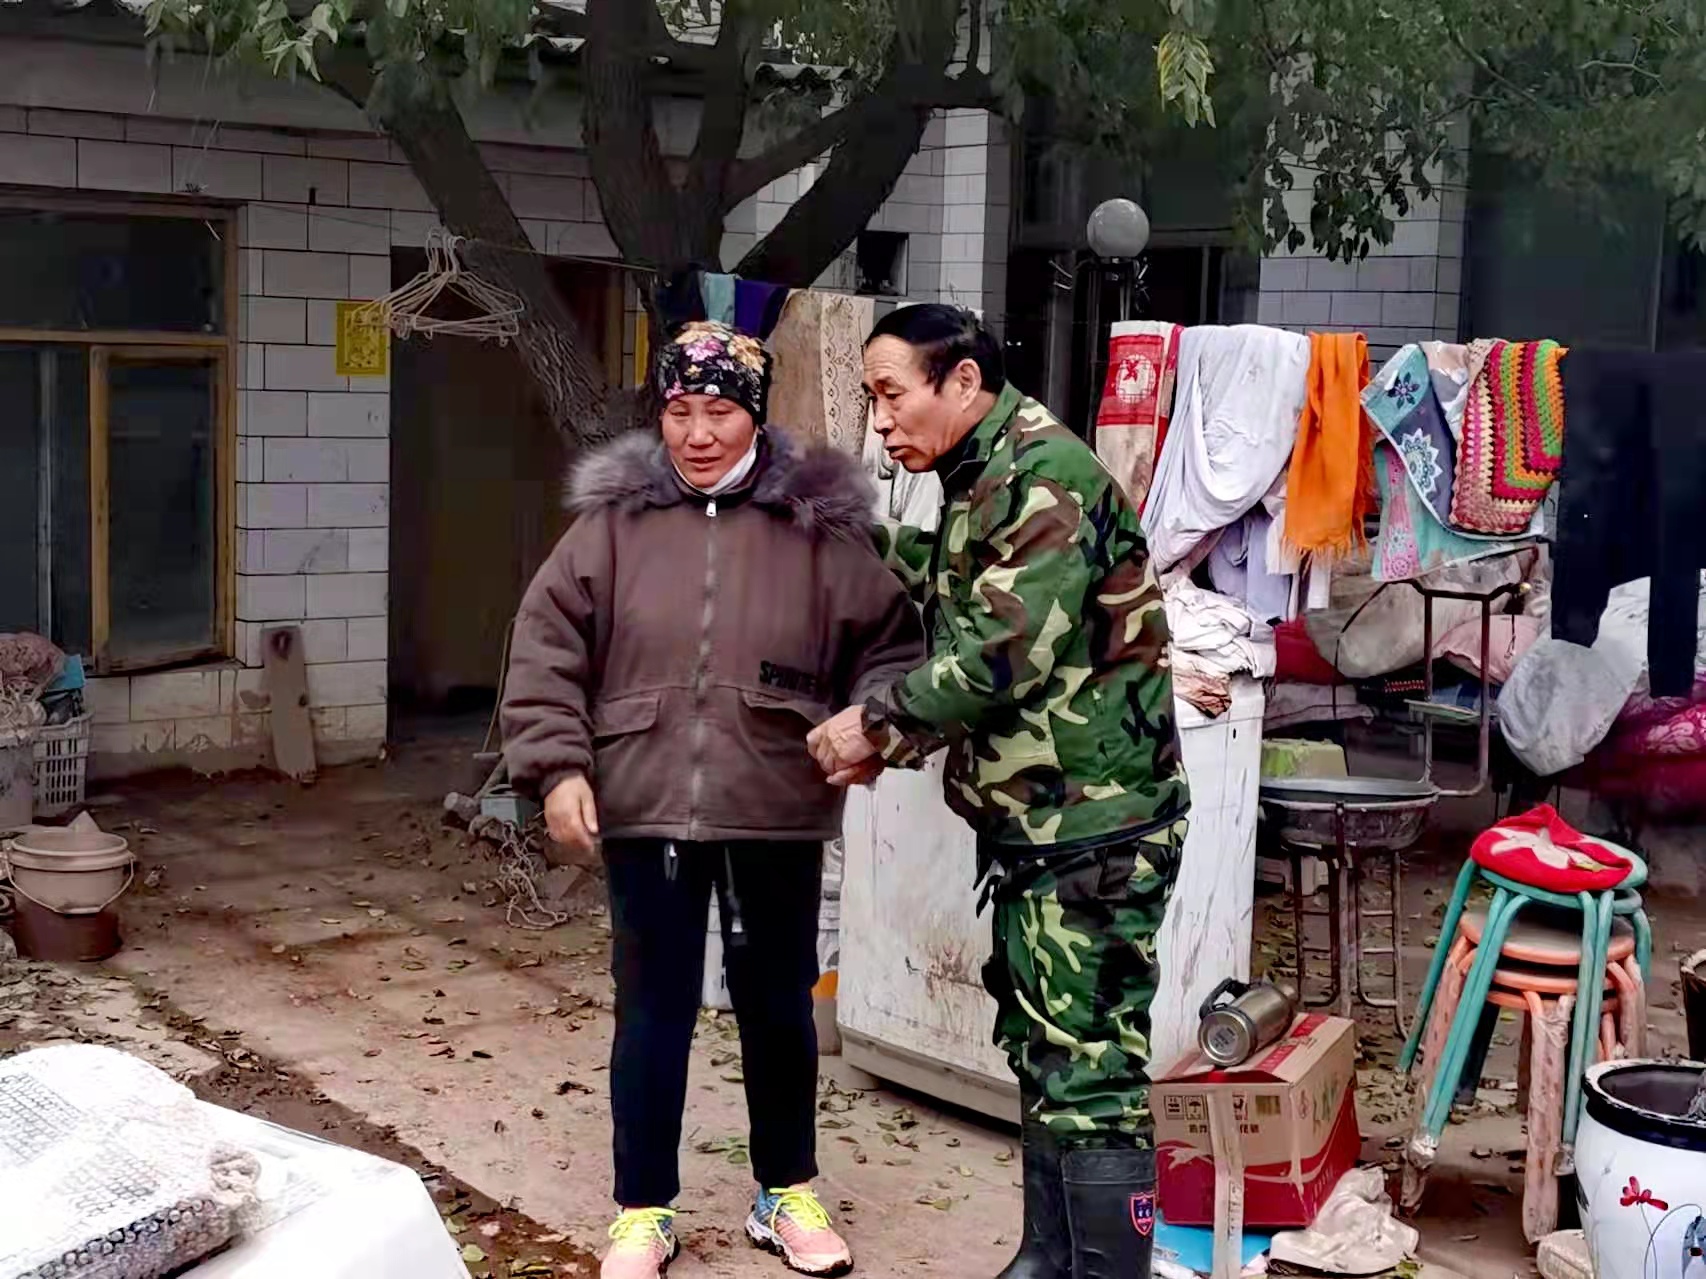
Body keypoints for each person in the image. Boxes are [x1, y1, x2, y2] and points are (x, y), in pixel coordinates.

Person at [503, 320, 922, 1279]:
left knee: (777, 1005)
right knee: (651, 1007)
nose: (698, 433)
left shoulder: (818, 528)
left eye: (720, 411)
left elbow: (893, 645)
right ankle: (643, 1209)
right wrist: (559, 766)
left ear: (755, 417)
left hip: (775, 797)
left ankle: (786, 1191)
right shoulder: (613, 525)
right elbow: (546, 644)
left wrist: (871, 724)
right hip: (645, 798)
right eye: (680, 410)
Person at [808, 305, 1190, 1279]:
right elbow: (958, 592)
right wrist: (850, 537)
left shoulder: (1042, 475)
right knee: (1041, 1046)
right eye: (871, 398)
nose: (881, 420)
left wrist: (874, 725)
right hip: (1040, 823)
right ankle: (1046, 1258)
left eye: (892, 394)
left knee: (1091, 1068)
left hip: (1096, 826)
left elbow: (996, 654)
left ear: (963, 383)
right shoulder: (980, 477)